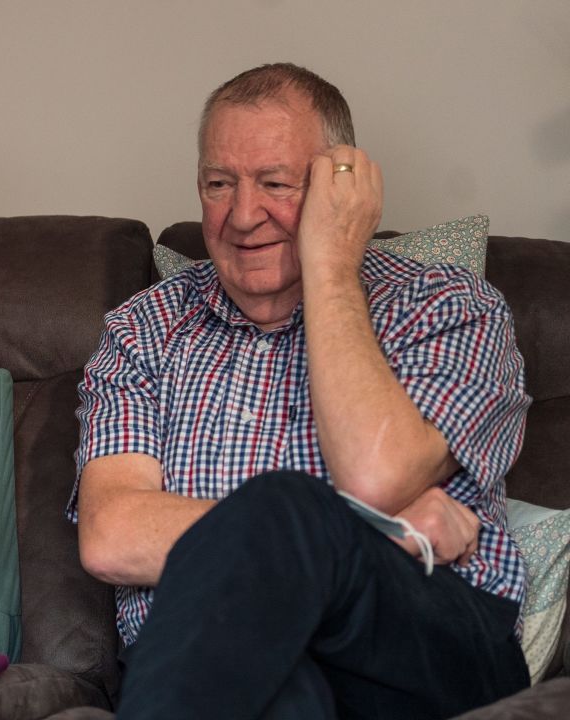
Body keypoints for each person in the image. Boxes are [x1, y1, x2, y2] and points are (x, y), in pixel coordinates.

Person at [70, 63, 531, 719]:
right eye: (218, 184)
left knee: (283, 507)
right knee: (280, 694)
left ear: (342, 190)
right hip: (215, 660)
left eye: (277, 185)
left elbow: (377, 473)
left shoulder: (448, 308)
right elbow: (111, 536)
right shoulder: (145, 329)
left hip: (418, 649)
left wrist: (331, 264)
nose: (242, 215)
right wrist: (373, 529)